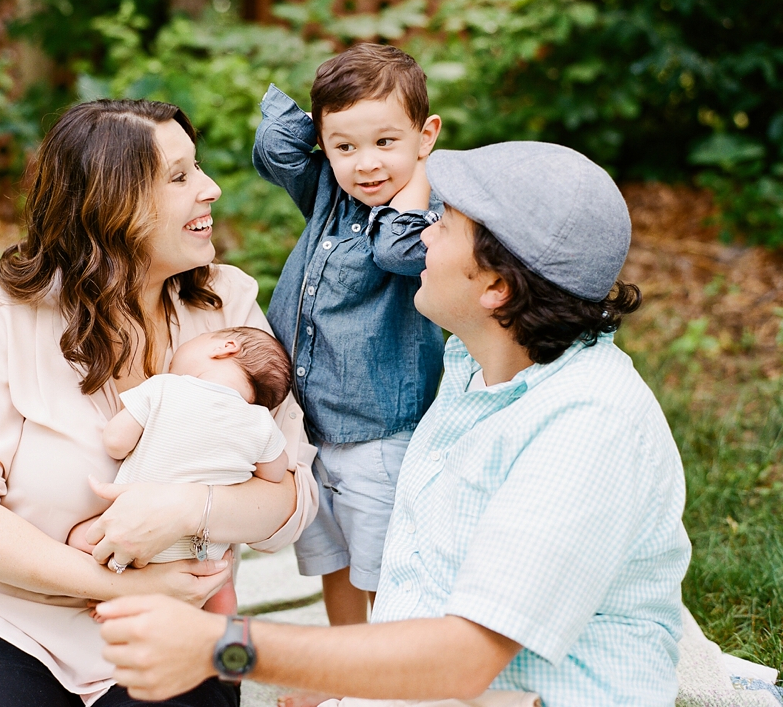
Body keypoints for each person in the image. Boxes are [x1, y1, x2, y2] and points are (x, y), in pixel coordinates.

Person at [95, 141, 693, 707]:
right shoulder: (471, 364)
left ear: (497, 287)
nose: (423, 232)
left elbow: (467, 658)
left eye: (445, 222)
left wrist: (223, 647)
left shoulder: (587, 426)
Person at [0, 98, 318, 707]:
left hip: (174, 625)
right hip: (4, 620)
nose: (211, 188)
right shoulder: (0, 318)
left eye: (196, 167)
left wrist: (186, 511)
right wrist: (115, 582)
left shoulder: (226, 310)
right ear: (110, 204)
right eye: (179, 177)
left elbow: (290, 500)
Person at [254, 43, 444, 630]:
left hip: (377, 433)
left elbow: (395, 252)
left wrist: (417, 180)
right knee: (331, 557)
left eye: (386, 142)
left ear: (425, 135)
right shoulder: (330, 193)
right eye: (345, 146)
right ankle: (345, 666)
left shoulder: (429, 215)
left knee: (384, 566)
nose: (366, 164)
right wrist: (327, 123)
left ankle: (393, 675)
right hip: (307, 425)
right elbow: (274, 149)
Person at [66, 325, 294, 615]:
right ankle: (223, 629)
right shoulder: (261, 422)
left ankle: (113, 590)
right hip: (203, 553)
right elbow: (275, 474)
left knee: (77, 537)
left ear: (226, 347)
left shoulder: (164, 387)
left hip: (130, 533)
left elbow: (115, 443)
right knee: (221, 580)